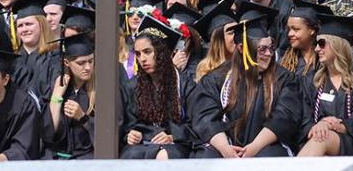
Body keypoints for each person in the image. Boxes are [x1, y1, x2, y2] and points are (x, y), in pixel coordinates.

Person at [191, 13, 302, 158]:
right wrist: (225, 149)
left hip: (266, 146)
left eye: (271, 47)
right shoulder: (217, 79)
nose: (269, 54)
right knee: (207, 157)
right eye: (262, 49)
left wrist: (254, 147)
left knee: (270, 157)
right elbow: (205, 117)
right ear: (242, 48)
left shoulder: (283, 78)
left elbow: (284, 116)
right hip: (227, 145)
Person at [296, 16, 353, 157]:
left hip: (349, 144)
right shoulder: (311, 80)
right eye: (316, 44)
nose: (317, 49)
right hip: (314, 137)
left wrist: (331, 125)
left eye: (321, 43)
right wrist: (317, 126)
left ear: (338, 45)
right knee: (320, 137)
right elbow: (304, 116)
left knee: (322, 138)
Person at [121, 16, 195, 159]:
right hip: (143, 143)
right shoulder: (132, 86)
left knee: (165, 155)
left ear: (161, 52)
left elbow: (196, 124)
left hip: (176, 144)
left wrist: (173, 136)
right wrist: (131, 134)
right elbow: (128, 124)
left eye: (147, 52)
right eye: (138, 54)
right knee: (130, 156)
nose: (142, 59)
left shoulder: (184, 84)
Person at [44, 33, 97, 159]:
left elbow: (109, 134)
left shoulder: (101, 90)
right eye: (81, 63)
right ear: (67, 62)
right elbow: (49, 134)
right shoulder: (58, 87)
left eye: (91, 61)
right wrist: (56, 97)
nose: (88, 67)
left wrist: (83, 118)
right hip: (57, 158)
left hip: (89, 158)